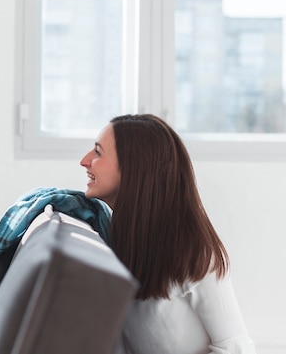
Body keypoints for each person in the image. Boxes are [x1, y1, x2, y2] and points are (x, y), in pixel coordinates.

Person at [80, 114, 255, 354]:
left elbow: (236, 349)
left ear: (133, 168)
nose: (84, 161)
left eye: (98, 153)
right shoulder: (114, 240)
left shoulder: (194, 254)